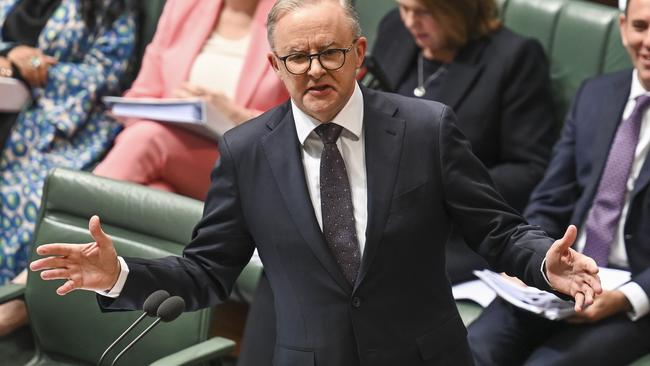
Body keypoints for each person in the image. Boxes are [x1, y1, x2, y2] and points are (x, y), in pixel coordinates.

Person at [31, 1, 602, 365]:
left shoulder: (427, 129)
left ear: (358, 55)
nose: (314, 70)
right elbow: (207, 272)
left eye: (329, 53)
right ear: (276, 66)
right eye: (296, 58)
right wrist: (119, 276)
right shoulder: (246, 150)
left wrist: (542, 264)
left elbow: (498, 230)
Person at [467, 0, 650, 364]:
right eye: (642, 27)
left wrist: (628, 296)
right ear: (622, 27)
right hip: (563, 275)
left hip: (634, 294)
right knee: (472, 349)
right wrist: (534, 260)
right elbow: (551, 197)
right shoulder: (595, 95)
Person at [371, 0, 557, 284]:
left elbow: (530, 168)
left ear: (458, 8)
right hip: (375, 208)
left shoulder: (514, 57)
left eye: (423, 12)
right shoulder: (394, 29)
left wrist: (439, 189)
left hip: (453, 232)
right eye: (403, 8)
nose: (410, 21)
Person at [0, 0, 135, 336]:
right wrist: (10, 52)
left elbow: (104, 75)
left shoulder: (110, 8)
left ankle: (12, 301)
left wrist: (26, 65)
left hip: (58, 127)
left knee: (26, 194)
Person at [93, 0, 289, 201]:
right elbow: (141, 94)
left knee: (147, 139)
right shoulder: (183, 5)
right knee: (158, 192)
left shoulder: (291, 16)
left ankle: (76, 219)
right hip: (170, 159)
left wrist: (235, 115)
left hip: (250, 164)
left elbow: (303, 124)